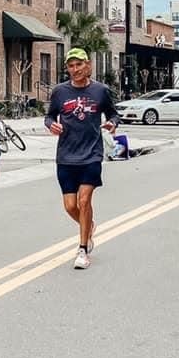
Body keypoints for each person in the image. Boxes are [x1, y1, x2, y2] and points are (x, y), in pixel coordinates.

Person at [45, 47, 120, 270]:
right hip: (66, 155)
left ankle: (82, 249)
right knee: (70, 206)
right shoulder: (60, 92)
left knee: (84, 200)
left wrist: (112, 123)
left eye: (79, 65)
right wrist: (52, 125)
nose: (75, 69)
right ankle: (89, 226)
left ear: (88, 65)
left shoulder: (100, 91)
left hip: (91, 154)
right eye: (71, 65)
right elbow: (49, 116)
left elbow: (114, 113)